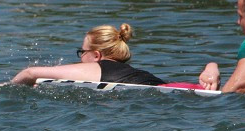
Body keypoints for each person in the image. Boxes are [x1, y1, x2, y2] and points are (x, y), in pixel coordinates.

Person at [10, 23, 172, 86]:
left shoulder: (96, 68)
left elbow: (30, 73)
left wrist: (8, 87)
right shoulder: (133, 71)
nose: (80, 58)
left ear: (96, 56)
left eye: (82, 52)